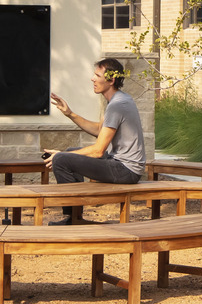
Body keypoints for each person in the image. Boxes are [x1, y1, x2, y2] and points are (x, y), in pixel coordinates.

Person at [44, 59, 143, 224]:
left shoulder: (118, 105)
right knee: (69, 153)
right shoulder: (117, 100)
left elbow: (98, 150)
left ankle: (74, 220)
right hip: (121, 164)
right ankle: (75, 217)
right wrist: (69, 113)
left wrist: (59, 156)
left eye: (97, 75)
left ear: (111, 81)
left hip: (126, 170)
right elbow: (99, 130)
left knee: (62, 159)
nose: (92, 79)